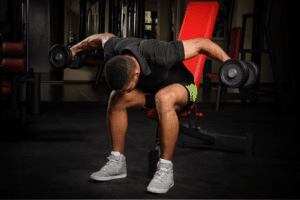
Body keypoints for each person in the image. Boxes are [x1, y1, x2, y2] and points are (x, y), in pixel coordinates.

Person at [70, 33, 230, 194]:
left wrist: (229, 64)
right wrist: (73, 50)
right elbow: (100, 38)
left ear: (136, 74)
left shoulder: (159, 52)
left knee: (164, 97)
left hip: (185, 89)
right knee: (116, 97)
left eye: (128, 87)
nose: (129, 91)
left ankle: (166, 169)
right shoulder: (116, 47)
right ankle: (117, 162)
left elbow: (201, 44)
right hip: (153, 94)